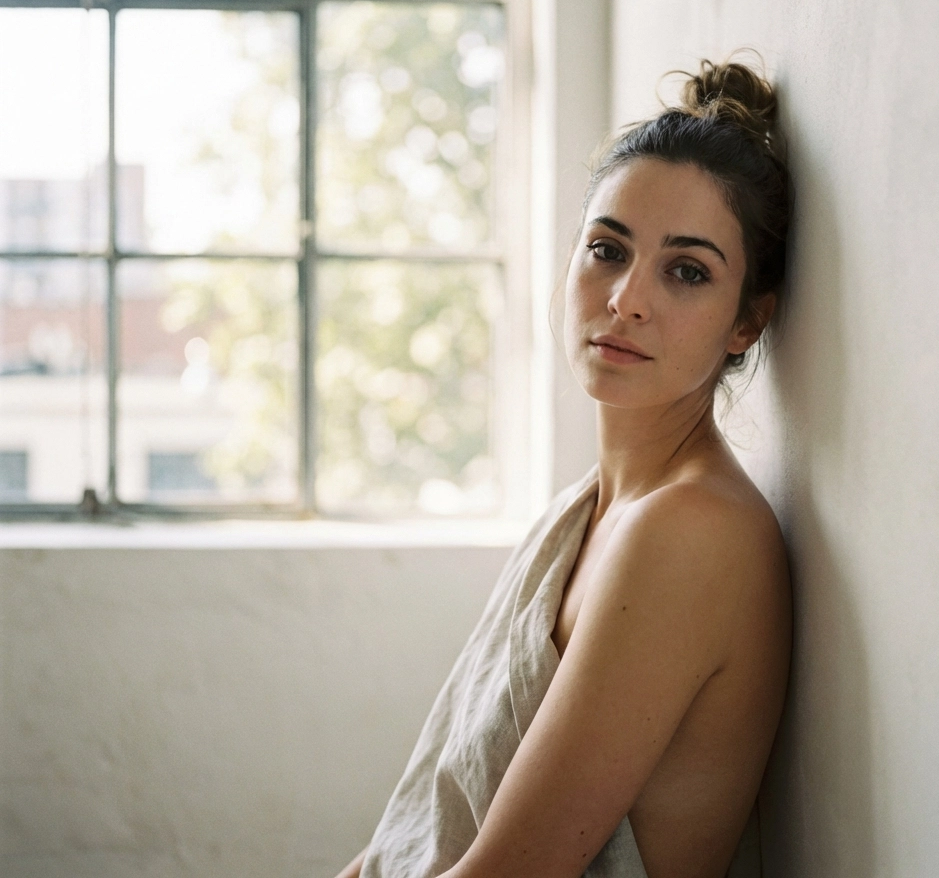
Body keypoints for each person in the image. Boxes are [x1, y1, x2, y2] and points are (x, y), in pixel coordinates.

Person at [336, 56, 793, 878]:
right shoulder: (589, 510)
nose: (626, 299)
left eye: (687, 271)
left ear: (746, 324)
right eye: (607, 249)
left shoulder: (694, 532)